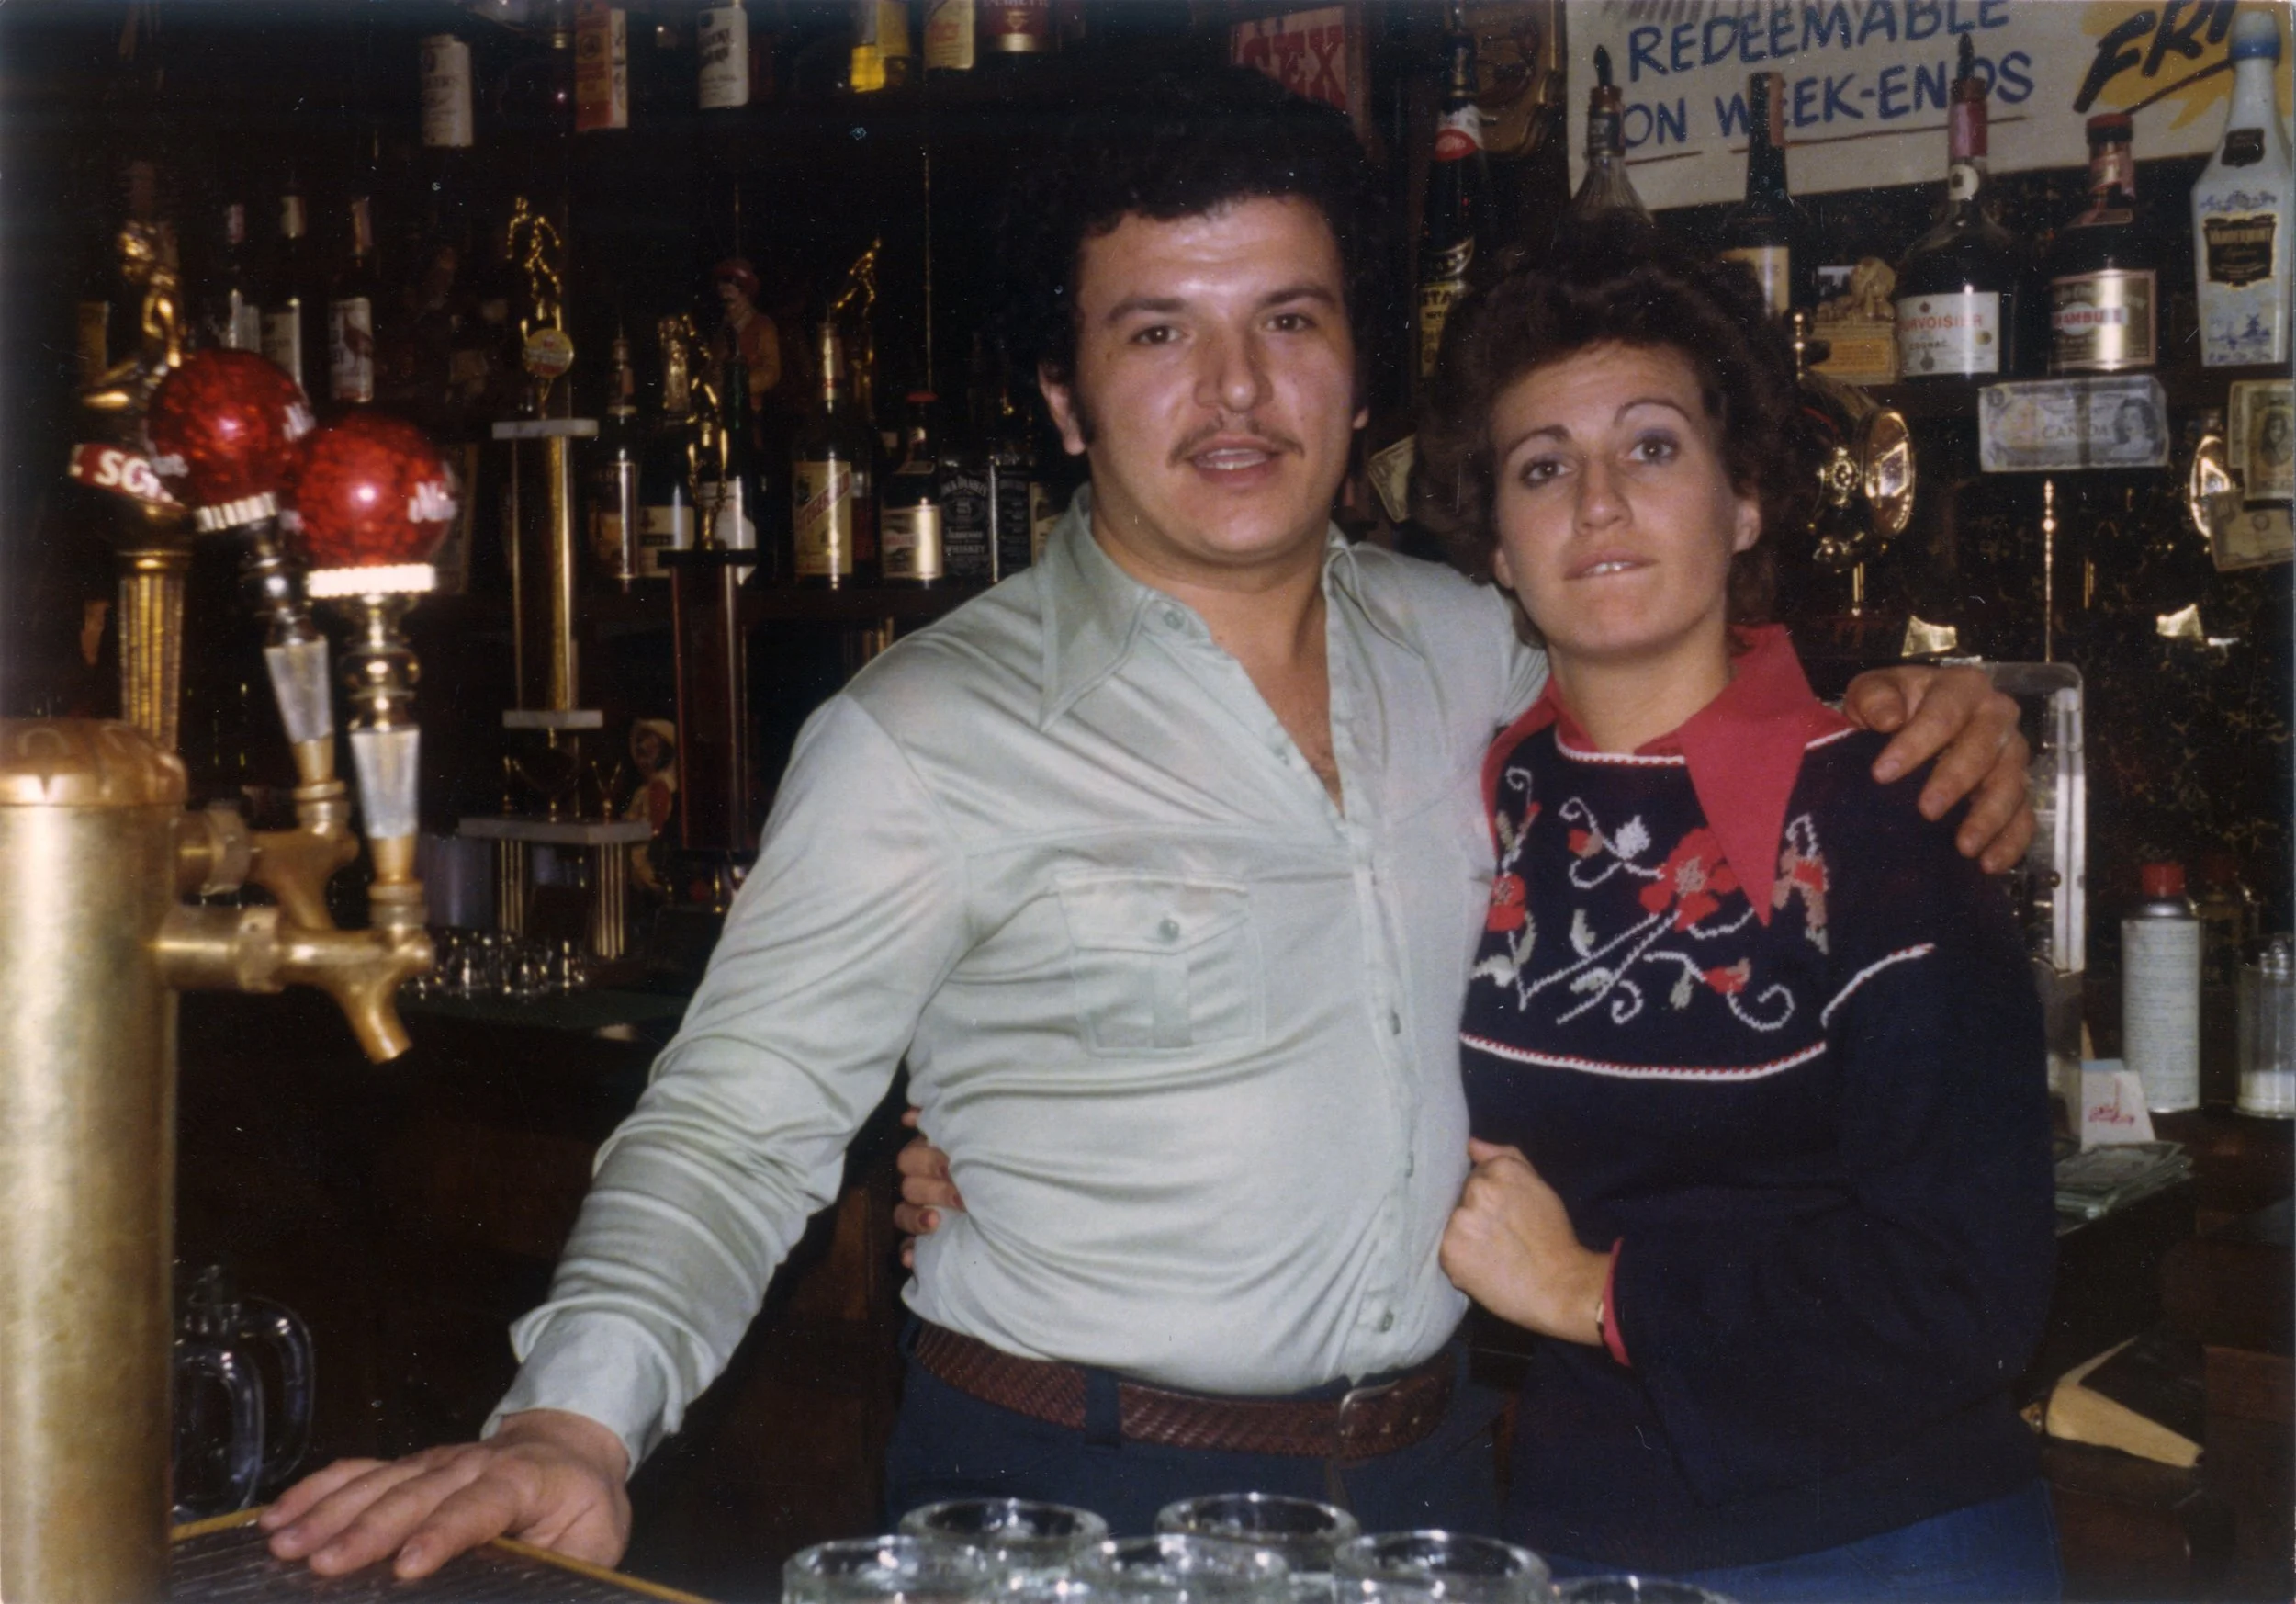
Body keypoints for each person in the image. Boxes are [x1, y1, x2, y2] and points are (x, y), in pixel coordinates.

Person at [261, 72, 2032, 1581]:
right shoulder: (923, 734)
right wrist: (573, 1417)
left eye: (1289, 322)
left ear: (1360, 374)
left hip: (1428, 1492)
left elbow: (1696, 696)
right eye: (1160, 333)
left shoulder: (1480, 651)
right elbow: (738, 1116)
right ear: (1062, 399)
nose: (1238, 394)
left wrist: (1915, 704)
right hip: (1071, 1496)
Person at [1422, 223, 2058, 1599]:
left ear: (1747, 500)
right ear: (1498, 545)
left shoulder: (1890, 805)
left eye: (1651, 447)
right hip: (1581, 1530)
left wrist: (1599, 1292)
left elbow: (1970, 1287)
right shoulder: (1476, 797)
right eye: (1544, 467)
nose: (1597, 502)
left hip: (1879, 1542)